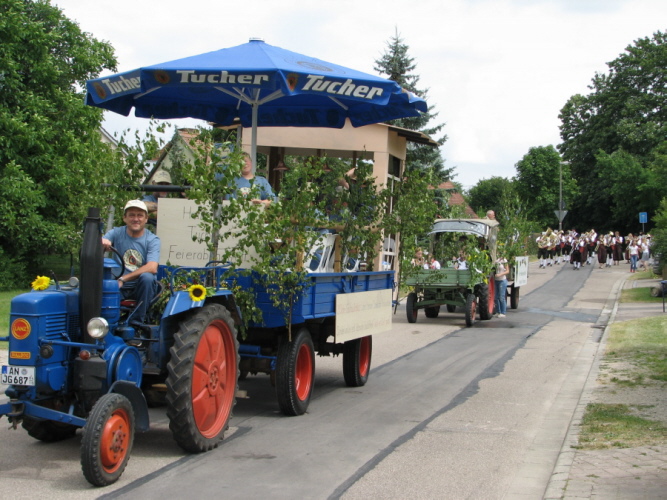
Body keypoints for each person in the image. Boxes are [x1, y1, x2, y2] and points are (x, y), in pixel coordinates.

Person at [102, 200, 161, 324]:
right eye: (132, 215)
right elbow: (100, 242)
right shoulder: (116, 232)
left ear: (146, 219)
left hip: (139, 287)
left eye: (140, 215)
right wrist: (102, 243)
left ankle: (137, 323)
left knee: (147, 277)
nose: (136, 219)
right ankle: (103, 324)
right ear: (125, 218)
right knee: (101, 283)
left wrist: (123, 279)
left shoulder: (152, 239)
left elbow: (152, 267)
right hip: (118, 286)